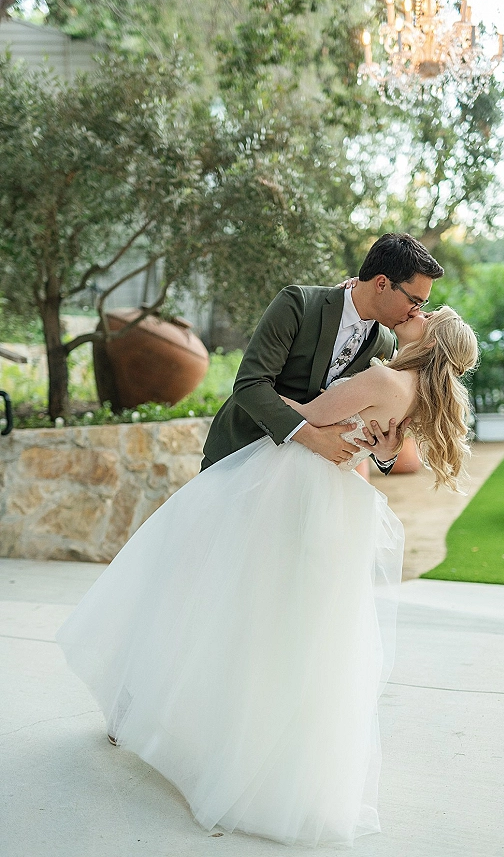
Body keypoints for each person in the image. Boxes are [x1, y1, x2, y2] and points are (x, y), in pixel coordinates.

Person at [57, 304, 478, 848]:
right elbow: (385, 452)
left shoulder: (382, 374)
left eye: (428, 314)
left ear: (432, 337)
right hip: (336, 505)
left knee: (230, 604)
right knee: (298, 631)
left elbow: (309, 414)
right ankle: (275, 761)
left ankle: (208, 741)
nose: (415, 314)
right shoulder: (418, 393)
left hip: (288, 487)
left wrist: (272, 396)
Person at [200, 232, 444, 476]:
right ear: (381, 284)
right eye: (415, 301)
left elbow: (367, 423)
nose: (415, 312)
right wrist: (312, 437)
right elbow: (250, 385)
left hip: (303, 477)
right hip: (240, 454)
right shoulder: (298, 304)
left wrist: (385, 454)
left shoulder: (386, 344)